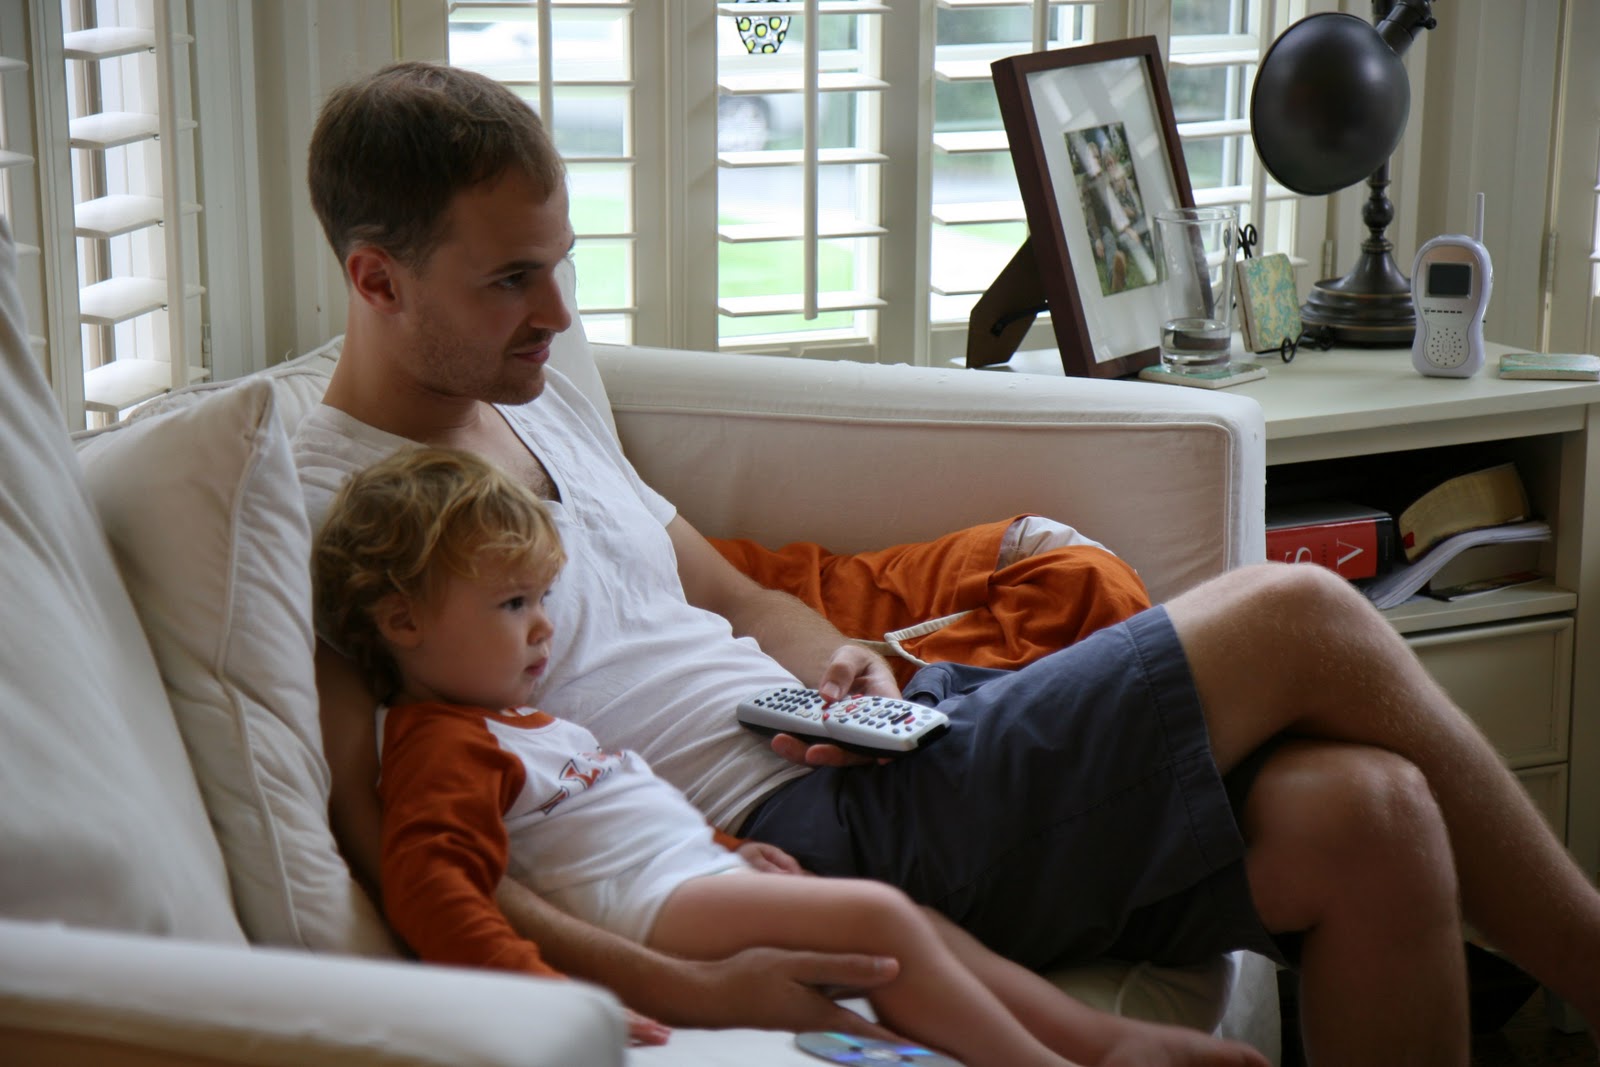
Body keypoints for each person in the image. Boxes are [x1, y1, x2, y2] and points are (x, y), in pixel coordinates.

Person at [295, 60, 1600, 1064]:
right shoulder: (319, 500)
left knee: (1371, 814)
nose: (558, 314)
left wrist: (843, 663)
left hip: (874, 750)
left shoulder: (532, 398)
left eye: (560, 268)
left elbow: (736, 598)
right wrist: (686, 979)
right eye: (511, 280)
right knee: (1302, 612)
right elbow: (404, 847)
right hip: (777, 837)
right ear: (377, 280)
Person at [310, 445, 1267, 1066]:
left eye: (542, 599)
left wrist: (731, 849)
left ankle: (1103, 1040)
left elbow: (623, 817)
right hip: (654, 913)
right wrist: (550, 999)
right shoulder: (437, 745)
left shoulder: (520, 721)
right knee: (880, 917)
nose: (542, 629)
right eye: (512, 604)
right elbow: (435, 887)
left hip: (695, 875)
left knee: (918, 925)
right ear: (403, 621)